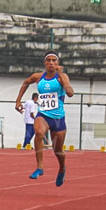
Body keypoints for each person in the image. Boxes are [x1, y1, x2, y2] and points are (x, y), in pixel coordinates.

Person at [14, 51, 75, 187]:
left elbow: (70, 93)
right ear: (45, 63)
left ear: (57, 63)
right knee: (39, 132)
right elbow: (25, 82)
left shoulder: (62, 77)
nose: (51, 63)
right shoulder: (38, 77)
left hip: (58, 118)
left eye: (54, 61)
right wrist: (18, 101)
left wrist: (64, 81)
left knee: (58, 151)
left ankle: (62, 168)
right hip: (43, 114)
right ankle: (40, 167)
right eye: (49, 61)